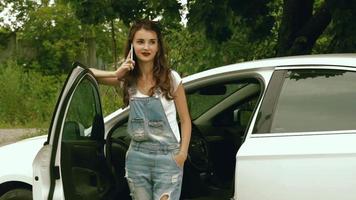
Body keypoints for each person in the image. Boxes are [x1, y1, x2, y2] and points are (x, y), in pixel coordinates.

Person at [89, 19, 191, 200]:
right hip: (137, 157)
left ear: (158, 47)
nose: (146, 47)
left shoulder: (171, 78)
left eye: (152, 42)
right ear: (131, 45)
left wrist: (182, 154)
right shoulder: (127, 80)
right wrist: (116, 73)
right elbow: (87, 73)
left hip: (168, 158)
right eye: (140, 41)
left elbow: (185, 120)